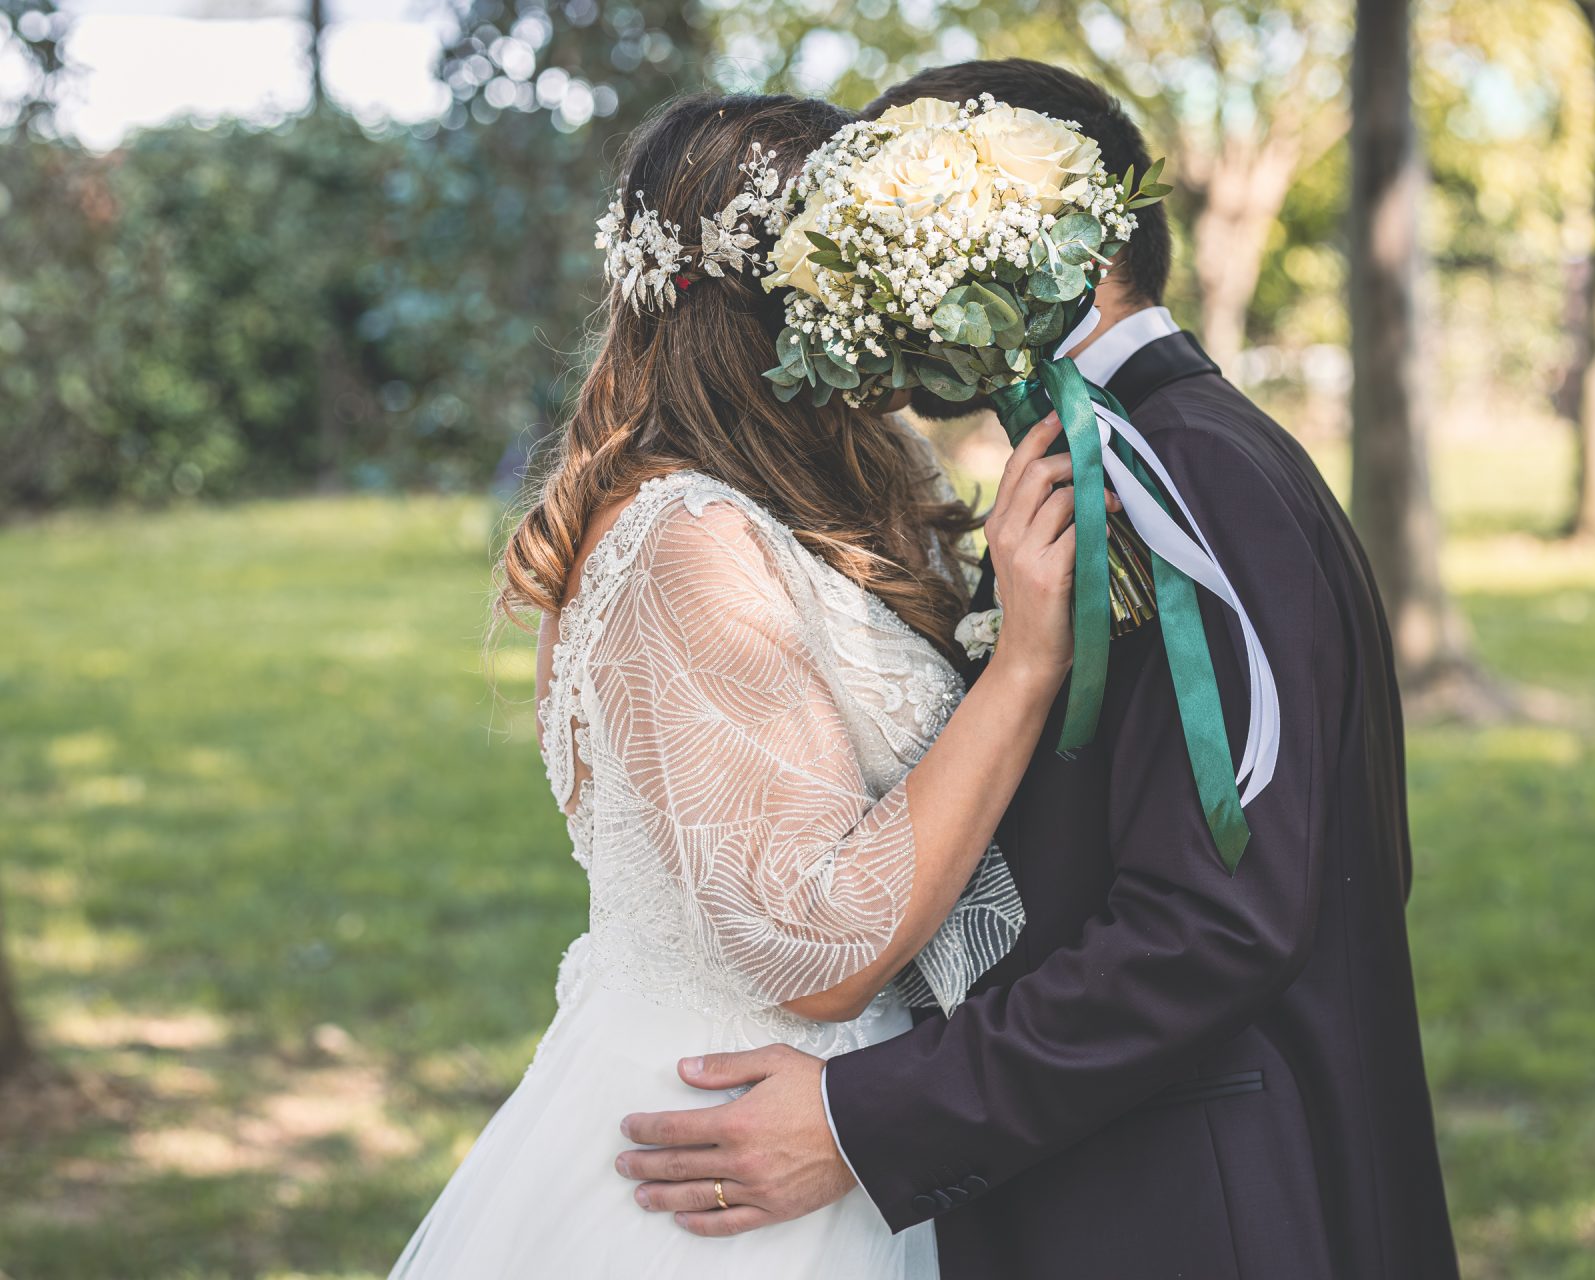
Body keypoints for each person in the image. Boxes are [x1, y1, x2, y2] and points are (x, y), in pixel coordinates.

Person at [613, 61, 1461, 1279]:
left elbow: (1214, 920)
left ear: (1060, 242)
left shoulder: (1176, 477)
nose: (874, 289)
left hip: (1193, 1203)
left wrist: (866, 1118)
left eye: (900, 233)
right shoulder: (1143, 455)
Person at [388, 91, 1090, 1279]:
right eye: (870, 263)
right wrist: (1024, 667)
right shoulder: (685, 545)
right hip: (723, 1158)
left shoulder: (847, 480)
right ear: (790, 290)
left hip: (846, 1128)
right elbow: (817, 945)